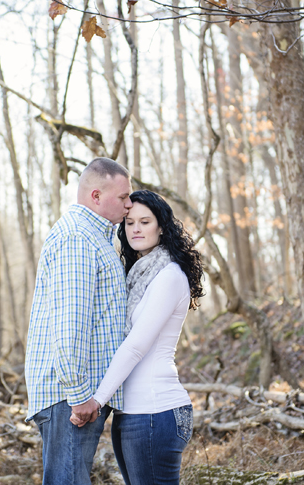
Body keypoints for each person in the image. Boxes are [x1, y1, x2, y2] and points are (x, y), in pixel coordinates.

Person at [72, 190, 204, 485]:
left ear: (162, 226)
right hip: (134, 413)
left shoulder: (169, 275)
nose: (136, 229)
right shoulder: (138, 274)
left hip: (155, 411)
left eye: (145, 222)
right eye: (130, 222)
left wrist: (96, 400)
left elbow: (136, 345)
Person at [25, 157, 133, 485]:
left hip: (77, 394)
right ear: (96, 196)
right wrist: (79, 393)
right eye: (123, 197)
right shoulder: (78, 239)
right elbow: (71, 322)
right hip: (69, 397)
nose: (130, 205)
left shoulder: (97, 237)